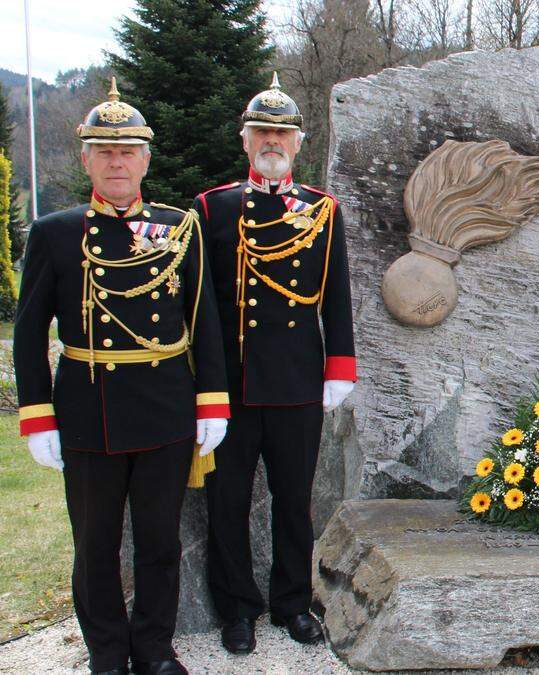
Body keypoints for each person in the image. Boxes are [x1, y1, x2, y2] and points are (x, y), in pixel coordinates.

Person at [14, 79, 229, 675]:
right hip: (87, 414)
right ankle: (107, 654)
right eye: (103, 151)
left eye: (127, 150)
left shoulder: (177, 227)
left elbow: (203, 322)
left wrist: (212, 404)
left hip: (164, 410)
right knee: (95, 549)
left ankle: (155, 651)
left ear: (145, 159)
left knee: (160, 544)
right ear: (85, 158)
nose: (116, 161)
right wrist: (37, 416)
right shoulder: (55, 233)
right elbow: (29, 335)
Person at [194, 73, 356, 655]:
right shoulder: (212, 208)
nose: (271, 141)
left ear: (297, 142)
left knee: (294, 499)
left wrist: (339, 367)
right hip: (232, 385)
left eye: (282, 133)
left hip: (295, 378)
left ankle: (291, 602)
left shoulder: (322, 209)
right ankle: (236, 609)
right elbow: (201, 310)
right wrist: (205, 389)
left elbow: (337, 295)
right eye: (261, 131)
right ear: (245, 141)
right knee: (227, 501)